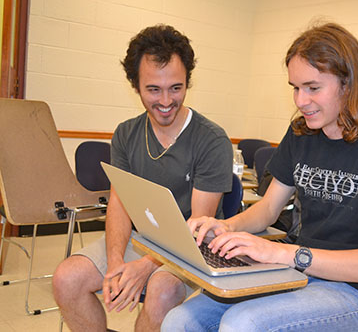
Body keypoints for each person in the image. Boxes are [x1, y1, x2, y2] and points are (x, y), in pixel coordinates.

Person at [162, 22, 358, 331]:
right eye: (295, 88)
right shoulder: (301, 134)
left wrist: (282, 253)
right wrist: (226, 226)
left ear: (349, 84)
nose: (300, 100)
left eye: (313, 88)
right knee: (179, 321)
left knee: (243, 323)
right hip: (298, 273)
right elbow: (268, 209)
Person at [52, 24, 233, 331]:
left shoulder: (212, 140)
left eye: (176, 88)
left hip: (193, 249)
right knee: (66, 279)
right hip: (145, 239)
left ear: (188, 81)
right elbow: (119, 205)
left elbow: (198, 228)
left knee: (161, 291)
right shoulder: (126, 133)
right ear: (135, 85)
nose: (165, 101)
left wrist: (145, 267)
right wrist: (117, 263)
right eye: (153, 89)